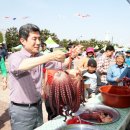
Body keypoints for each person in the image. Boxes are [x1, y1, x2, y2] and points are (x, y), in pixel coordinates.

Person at [8, 23, 65, 130]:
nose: (38, 42)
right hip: (21, 111)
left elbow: (60, 65)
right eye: (34, 39)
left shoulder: (40, 57)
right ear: (23, 41)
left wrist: (69, 57)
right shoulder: (15, 57)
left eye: (39, 39)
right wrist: (50, 56)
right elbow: (22, 65)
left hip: (38, 107)